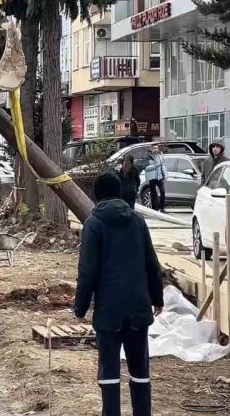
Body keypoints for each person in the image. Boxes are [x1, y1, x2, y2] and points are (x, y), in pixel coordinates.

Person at [75, 172, 164, 416]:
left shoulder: (94, 224)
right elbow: (151, 262)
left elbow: (87, 271)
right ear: (120, 192)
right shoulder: (137, 221)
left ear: (96, 195)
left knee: (109, 373)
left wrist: (80, 308)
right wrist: (157, 297)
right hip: (138, 306)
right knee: (140, 372)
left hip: (108, 311)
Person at [143, 144, 167, 213]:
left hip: (159, 177)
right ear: (151, 149)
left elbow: (162, 166)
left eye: (156, 148)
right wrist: (155, 166)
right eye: (154, 148)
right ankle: (154, 208)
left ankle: (162, 208)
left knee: (162, 192)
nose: (155, 149)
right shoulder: (148, 157)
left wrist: (164, 176)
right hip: (152, 177)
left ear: (158, 149)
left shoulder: (160, 157)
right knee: (153, 193)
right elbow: (146, 168)